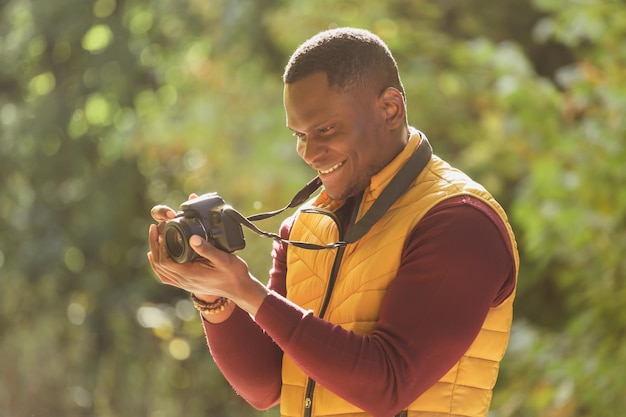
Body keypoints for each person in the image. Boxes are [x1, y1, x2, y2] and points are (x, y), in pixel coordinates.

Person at [148, 27, 518, 417]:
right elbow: (268, 386)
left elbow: (389, 386)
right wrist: (214, 294)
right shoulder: (302, 228)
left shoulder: (460, 221)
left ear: (390, 109)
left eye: (325, 130)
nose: (309, 153)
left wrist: (250, 293)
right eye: (299, 135)